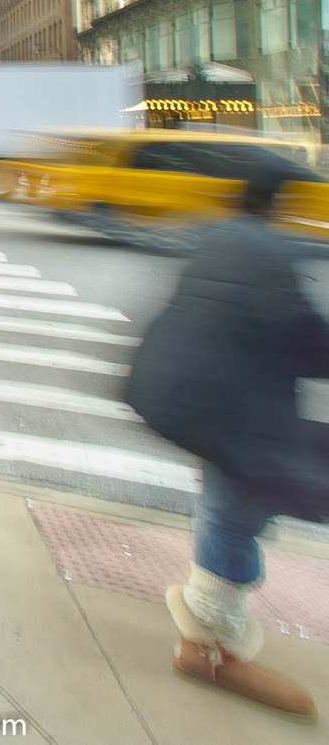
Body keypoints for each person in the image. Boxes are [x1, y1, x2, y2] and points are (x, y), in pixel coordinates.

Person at [125, 156, 329, 719]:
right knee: (238, 510)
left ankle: (208, 620)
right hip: (223, 407)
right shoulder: (271, 252)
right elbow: (308, 341)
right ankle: (209, 644)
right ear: (282, 205)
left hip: (184, 393)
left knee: (229, 501)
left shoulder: (221, 236)